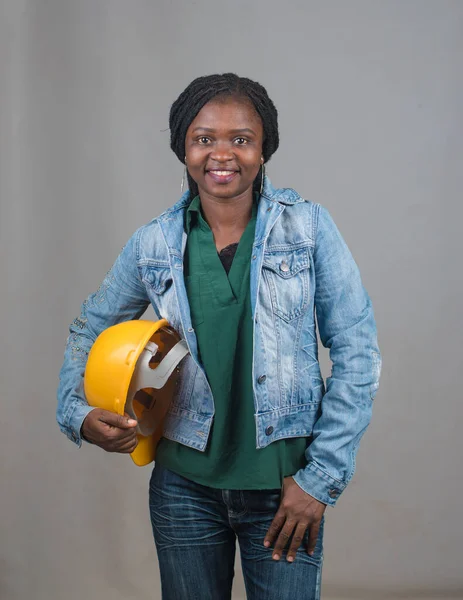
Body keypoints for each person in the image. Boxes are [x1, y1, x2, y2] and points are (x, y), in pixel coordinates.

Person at [57, 73, 381, 600]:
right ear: (183, 148)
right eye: (204, 138)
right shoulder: (154, 243)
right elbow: (89, 326)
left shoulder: (309, 229)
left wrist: (320, 479)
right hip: (183, 486)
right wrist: (77, 414)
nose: (222, 154)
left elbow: (359, 353)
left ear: (263, 148)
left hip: (284, 489)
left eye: (241, 139)